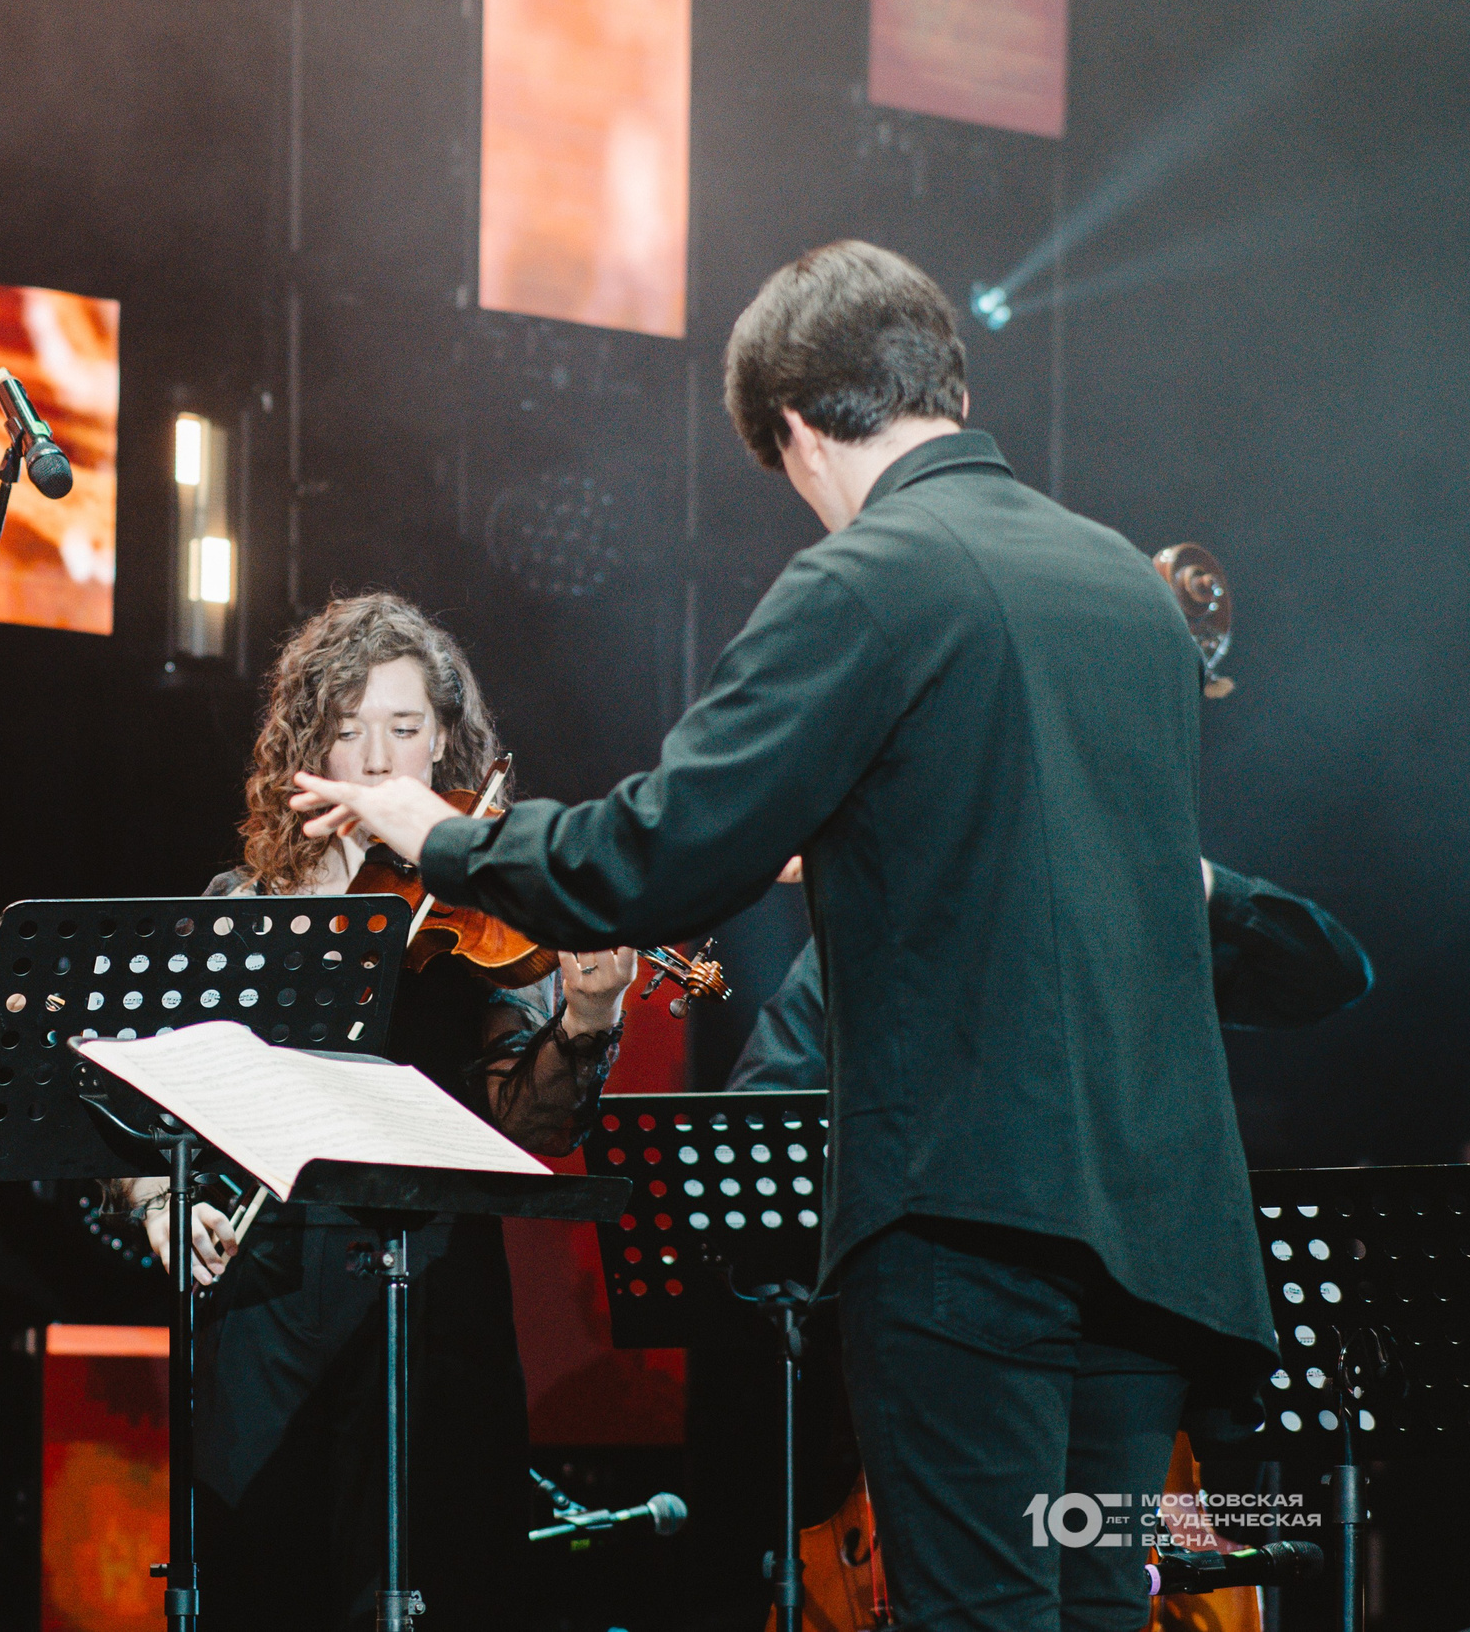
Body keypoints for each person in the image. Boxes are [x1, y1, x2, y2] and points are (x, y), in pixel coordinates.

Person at [293, 243, 1278, 1632]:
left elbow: (653, 852)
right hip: (1160, 1234)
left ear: (801, 430)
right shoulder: (1129, 591)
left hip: (975, 1228)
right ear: (947, 377)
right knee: (1098, 1605)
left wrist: (432, 829)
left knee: (980, 1612)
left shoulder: (870, 576)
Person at [118, 593, 635, 1632]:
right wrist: (153, 1205)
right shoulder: (243, 904)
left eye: (402, 731)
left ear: (447, 742)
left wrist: (588, 1013)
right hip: (271, 1307)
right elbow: (147, 1109)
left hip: (433, 1302)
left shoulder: (478, 909)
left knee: (442, 1589)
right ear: (306, 746)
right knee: (269, 1590)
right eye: (346, 731)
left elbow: (527, 1127)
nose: (373, 761)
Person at [730, 856, 1374, 1088]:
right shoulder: (874, 935)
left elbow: (1333, 973)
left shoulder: (1122, 913)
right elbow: (762, 1111)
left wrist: (1175, 870)